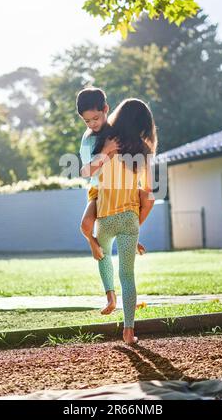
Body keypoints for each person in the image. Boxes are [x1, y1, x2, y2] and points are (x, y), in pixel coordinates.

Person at [85, 98, 157, 345]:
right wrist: (137, 228)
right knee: (128, 275)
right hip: (129, 220)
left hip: (105, 218)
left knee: (103, 256)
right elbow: (148, 194)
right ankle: (128, 331)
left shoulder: (106, 140)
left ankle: (110, 298)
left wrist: (103, 153)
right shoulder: (144, 152)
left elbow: (89, 172)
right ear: (143, 124)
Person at [77, 87, 146, 265]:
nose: (92, 124)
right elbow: (86, 172)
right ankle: (93, 243)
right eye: (87, 121)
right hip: (98, 190)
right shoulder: (88, 139)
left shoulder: (117, 131)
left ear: (105, 109)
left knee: (146, 198)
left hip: (120, 188)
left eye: (95, 118)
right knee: (85, 225)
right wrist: (105, 151)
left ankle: (133, 236)